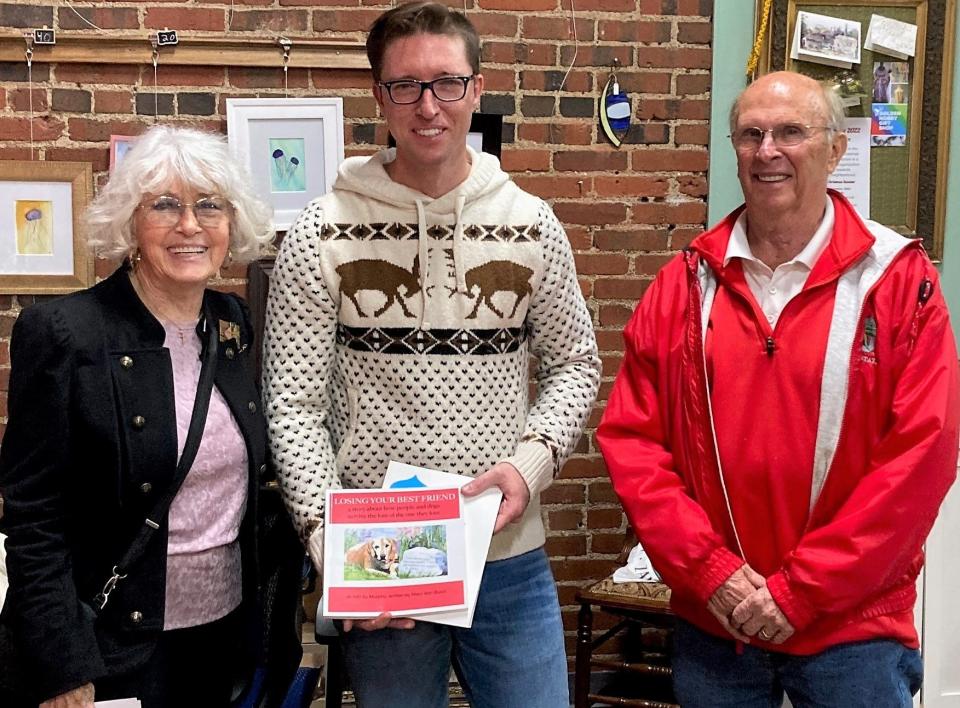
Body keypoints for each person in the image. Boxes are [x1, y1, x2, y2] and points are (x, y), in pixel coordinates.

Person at [262, 3, 600, 706]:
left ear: (476, 89)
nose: (428, 106)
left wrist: (529, 464)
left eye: (447, 83)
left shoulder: (532, 224)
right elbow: (291, 403)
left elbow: (576, 363)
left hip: (505, 553)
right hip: (383, 555)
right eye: (404, 86)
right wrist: (330, 540)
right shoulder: (321, 233)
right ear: (378, 95)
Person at [597, 71, 959, 707]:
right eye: (751, 134)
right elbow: (634, 442)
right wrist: (710, 573)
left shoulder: (900, 283)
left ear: (835, 149)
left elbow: (919, 459)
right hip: (718, 626)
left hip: (854, 634)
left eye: (791, 132)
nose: (769, 151)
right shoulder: (683, 286)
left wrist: (802, 591)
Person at [0, 125, 303, 708]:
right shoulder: (67, 334)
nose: (189, 225)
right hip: (110, 644)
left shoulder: (233, 323)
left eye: (209, 206)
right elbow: (33, 520)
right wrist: (63, 667)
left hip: (222, 637)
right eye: (165, 205)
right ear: (129, 226)